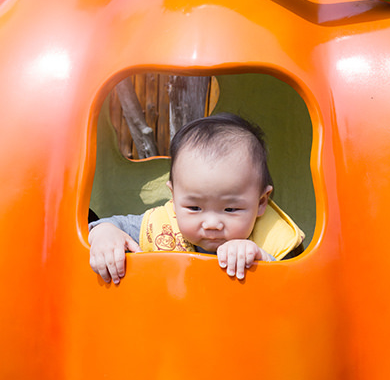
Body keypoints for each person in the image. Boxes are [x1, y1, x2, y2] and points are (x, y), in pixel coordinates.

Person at [89, 113, 304, 282]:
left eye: (230, 209)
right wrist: (105, 234)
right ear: (174, 198)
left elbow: (297, 288)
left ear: (261, 202)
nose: (211, 224)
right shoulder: (163, 223)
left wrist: (262, 262)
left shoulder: (274, 240)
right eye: (194, 207)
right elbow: (114, 224)